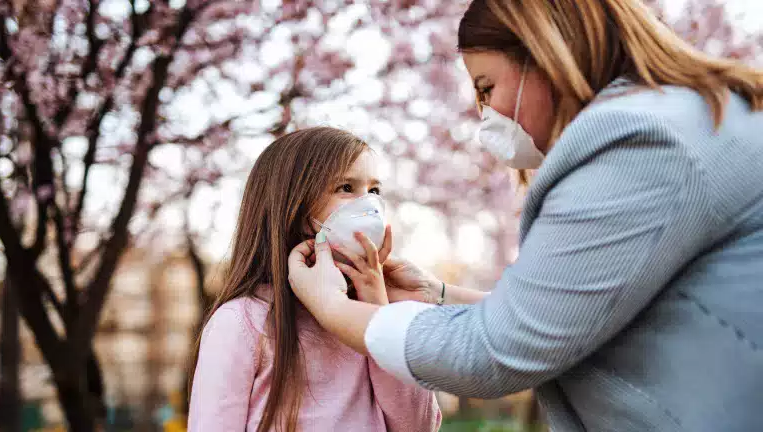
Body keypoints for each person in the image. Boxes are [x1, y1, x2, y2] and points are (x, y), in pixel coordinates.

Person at [287, 1, 763, 431]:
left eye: (487, 87)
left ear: (543, 51)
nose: (486, 112)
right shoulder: (684, 115)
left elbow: (494, 352)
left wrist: (334, 309)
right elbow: (565, 311)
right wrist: (438, 294)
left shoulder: (636, 137)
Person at [188, 127, 441, 431]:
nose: (369, 205)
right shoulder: (240, 322)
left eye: (374, 190)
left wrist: (379, 311)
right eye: (346, 187)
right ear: (293, 203)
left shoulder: (371, 316)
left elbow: (418, 425)